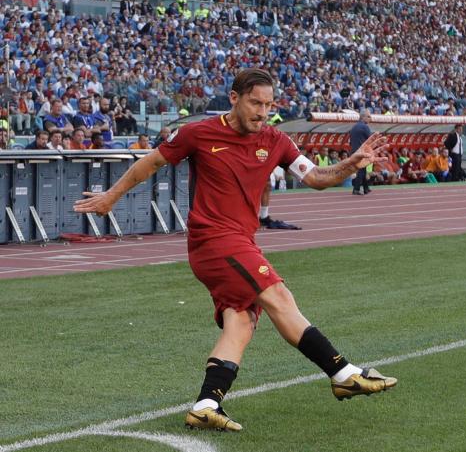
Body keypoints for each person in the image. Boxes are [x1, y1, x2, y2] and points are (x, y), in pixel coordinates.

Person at [74, 68, 397, 433]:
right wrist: (110, 198)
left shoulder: (276, 140)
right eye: (255, 102)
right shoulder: (198, 133)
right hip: (212, 241)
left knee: (241, 320)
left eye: (269, 104)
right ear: (234, 98)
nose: (262, 112)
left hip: (241, 241)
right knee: (278, 295)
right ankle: (343, 372)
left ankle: (206, 404)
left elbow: (316, 178)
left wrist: (351, 164)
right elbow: (152, 162)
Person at [350, 110, 373, 195]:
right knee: (361, 171)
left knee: (362, 169)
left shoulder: (354, 127)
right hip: (361, 152)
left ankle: (366, 188)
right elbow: (371, 138)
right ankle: (356, 189)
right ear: (363, 117)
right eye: (369, 116)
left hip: (354, 151)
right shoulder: (364, 127)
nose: (370, 118)